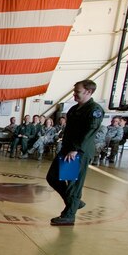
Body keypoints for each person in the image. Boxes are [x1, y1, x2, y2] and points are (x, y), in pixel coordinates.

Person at [46, 79, 105, 226]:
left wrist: (75, 149)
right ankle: (74, 202)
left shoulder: (94, 110)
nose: (74, 94)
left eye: (77, 92)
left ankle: (69, 215)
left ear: (88, 92)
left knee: (73, 183)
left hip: (79, 151)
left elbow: (89, 132)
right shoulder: (74, 109)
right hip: (67, 149)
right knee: (52, 177)